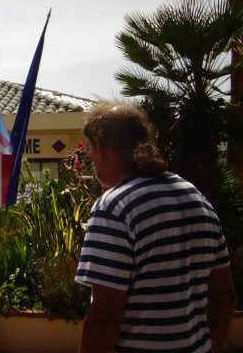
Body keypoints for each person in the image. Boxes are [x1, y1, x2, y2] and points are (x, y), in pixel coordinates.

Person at [75, 103, 237, 353]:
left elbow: (105, 318)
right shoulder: (195, 197)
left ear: (100, 147)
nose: (91, 160)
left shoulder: (114, 207)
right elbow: (224, 296)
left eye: (90, 152)